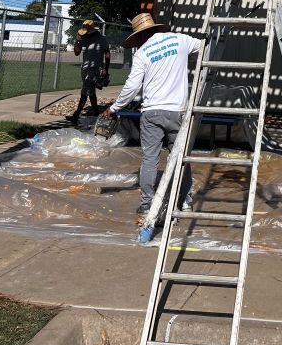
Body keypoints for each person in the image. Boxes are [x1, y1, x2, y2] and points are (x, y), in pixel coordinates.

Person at [100, 12, 202, 220]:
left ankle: (147, 205)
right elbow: (204, 46)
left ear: (140, 36)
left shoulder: (143, 53)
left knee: (149, 160)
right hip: (178, 111)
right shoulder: (180, 39)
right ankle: (185, 202)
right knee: (181, 159)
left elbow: (132, 86)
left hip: (152, 113)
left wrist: (115, 108)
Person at [66, 19, 110, 126]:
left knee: (85, 92)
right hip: (85, 69)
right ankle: (96, 114)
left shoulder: (101, 39)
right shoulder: (84, 38)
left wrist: (105, 69)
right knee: (90, 91)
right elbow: (77, 52)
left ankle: (76, 115)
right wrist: (78, 40)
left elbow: (107, 54)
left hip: (95, 69)